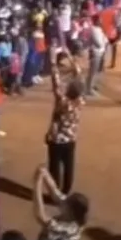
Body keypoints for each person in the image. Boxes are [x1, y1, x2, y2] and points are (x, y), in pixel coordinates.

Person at [44, 52, 83, 195]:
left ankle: (55, 192)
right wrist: (71, 59)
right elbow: (78, 76)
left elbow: (56, 83)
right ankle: (66, 191)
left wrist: (54, 63)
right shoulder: (80, 101)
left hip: (56, 139)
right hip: (71, 138)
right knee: (69, 166)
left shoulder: (63, 102)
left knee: (54, 167)